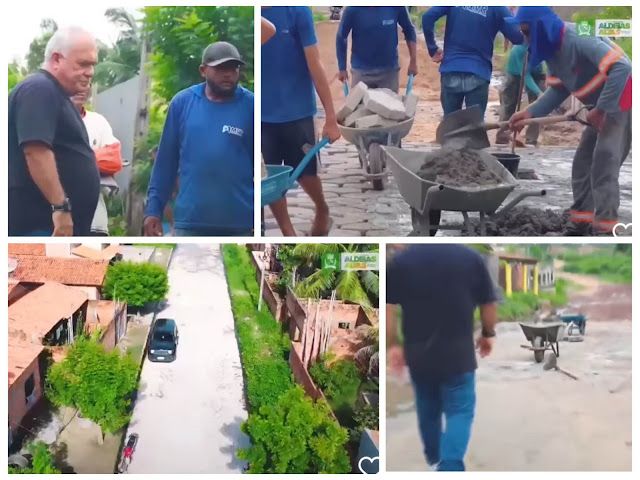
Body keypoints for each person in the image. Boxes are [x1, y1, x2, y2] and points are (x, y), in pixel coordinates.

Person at [508, 7, 632, 235]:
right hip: (602, 106)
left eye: (527, 32)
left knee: (604, 161)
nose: (524, 38)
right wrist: (529, 113)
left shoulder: (579, 38)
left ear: (541, 28)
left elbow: (623, 68)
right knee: (583, 162)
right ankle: (581, 220)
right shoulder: (552, 51)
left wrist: (601, 109)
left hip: (623, 99)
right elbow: (559, 88)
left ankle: (605, 229)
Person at [387, 244, 498, 472]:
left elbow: (388, 307)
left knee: (428, 409)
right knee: (460, 411)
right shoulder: (471, 258)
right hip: (459, 355)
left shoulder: (402, 261)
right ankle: (449, 468)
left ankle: (434, 460)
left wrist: (393, 345)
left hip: (419, 355)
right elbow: (489, 303)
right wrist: (488, 334)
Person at [144, 41, 254, 236]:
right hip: (190, 222)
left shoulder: (251, 105)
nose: (228, 74)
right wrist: (153, 210)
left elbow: (260, 168)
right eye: (220, 68)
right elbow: (165, 163)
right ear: (203, 70)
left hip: (239, 224)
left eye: (233, 68)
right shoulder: (182, 103)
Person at [8, 27, 100, 236]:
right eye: (83, 64)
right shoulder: (39, 89)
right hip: (39, 226)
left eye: (93, 65)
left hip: (49, 226)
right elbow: (36, 151)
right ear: (57, 59)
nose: (90, 72)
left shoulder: (56, 94)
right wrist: (60, 207)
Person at [262, 6, 341, 237]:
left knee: (306, 172)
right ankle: (289, 234)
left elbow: (315, 63)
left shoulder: (296, 11)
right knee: (271, 180)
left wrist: (330, 117)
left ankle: (322, 209)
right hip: (262, 118)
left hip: (298, 112)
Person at [422, 6, 524, 117]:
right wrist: (520, 19)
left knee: (450, 126)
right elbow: (517, 37)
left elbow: (427, 17)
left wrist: (432, 49)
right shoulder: (498, 7)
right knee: (474, 127)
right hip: (478, 72)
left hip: (451, 69)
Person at [71, 88, 123, 236]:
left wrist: (73, 159)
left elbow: (114, 160)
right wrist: (93, 158)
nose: (82, 86)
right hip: (55, 218)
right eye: (77, 80)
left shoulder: (98, 121)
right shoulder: (47, 119)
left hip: (94, 220)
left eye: (88, 81)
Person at [336, 6, 418, 92]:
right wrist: (342, 68)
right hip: (361, 72)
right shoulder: (352, 9)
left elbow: (409, 30)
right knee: (359, 104)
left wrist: (413, 61)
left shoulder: (396, 6)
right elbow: (341, 37)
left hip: (389, 73)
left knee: (389, 104)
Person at [495, 44, 546, 145]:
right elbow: (525, 75)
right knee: (509, 105)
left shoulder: (544, 45)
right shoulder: (519, 49)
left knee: (538, 105)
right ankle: (502, 138)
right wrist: (539, 92)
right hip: (514, 72)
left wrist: (541, 93)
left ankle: (531, 139)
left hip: (537, 72)